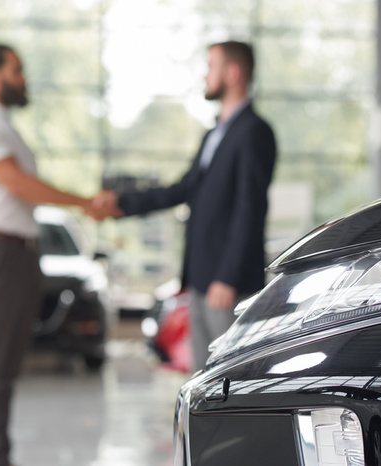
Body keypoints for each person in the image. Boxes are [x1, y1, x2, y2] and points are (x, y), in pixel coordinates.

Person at [0, 44, 113, 466]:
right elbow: (19, 185)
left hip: (19, 255)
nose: (23, 79)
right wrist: (83, 202)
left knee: (5, 366)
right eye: (16, 71)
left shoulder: (4, 126)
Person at [98, 41, 277, 370]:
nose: (205, 76)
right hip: (200, 277)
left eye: (211, 67)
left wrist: (228, 276)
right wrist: (122, 204)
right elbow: (183, 189)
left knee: (230, 375)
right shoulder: (215, 134)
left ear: (233, 73)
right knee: (203, 374)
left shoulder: (254, 132)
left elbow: (250, 209)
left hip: (225, 282)